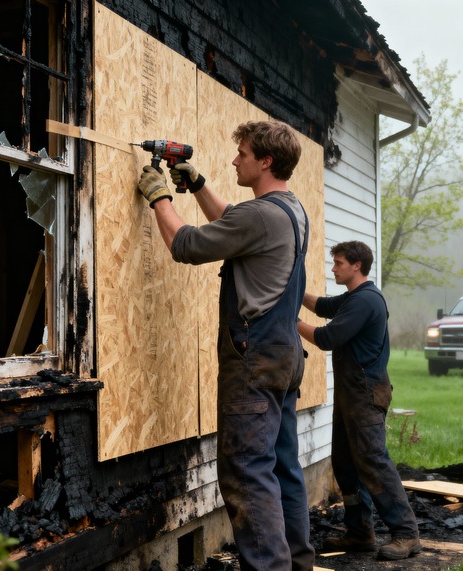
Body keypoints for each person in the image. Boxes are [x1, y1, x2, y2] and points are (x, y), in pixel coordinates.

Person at [136, 120, 314, 571]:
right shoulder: (289, 210)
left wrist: (159, 196)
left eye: (243, 154)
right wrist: (197, 184)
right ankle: (297, 563)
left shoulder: (260, 215)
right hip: (285, 357)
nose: (235, 160)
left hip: (253, 361)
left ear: (266, 161)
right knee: (282, 468)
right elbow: (234, 221)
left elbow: (187, 244)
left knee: (248, 476)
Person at [297, 241, 422, 561]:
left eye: (338, 263)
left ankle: (406, 533)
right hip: (351, 393)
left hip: (366, 392)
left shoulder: (366, 300)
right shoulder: (355, 297)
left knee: (373, 461)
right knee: (344, 462)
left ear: (356, 265)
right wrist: (294, 293)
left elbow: (327, 337)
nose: (334, 268)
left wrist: (290, 321)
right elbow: (324, 306)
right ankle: (360, 532)